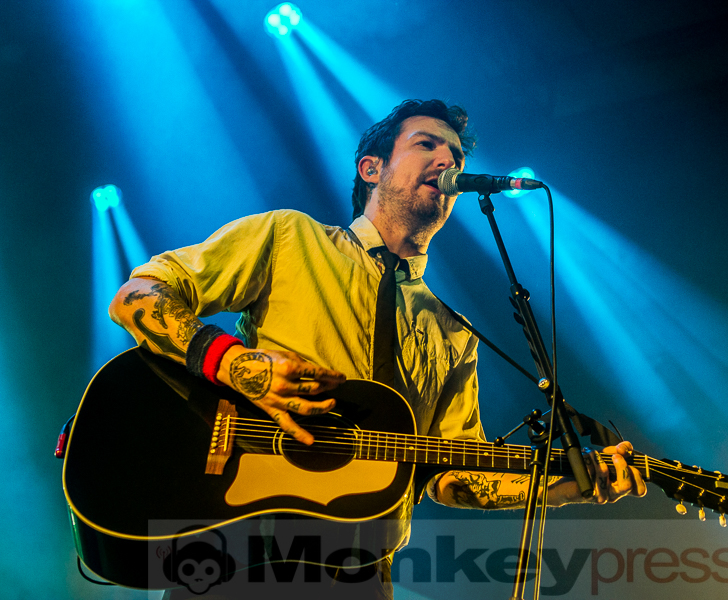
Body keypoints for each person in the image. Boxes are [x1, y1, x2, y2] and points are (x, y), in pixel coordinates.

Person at [109, 99, 646, 599]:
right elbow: (138, 296)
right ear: (372, 169)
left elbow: (452, 473)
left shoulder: (452, 332)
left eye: (455, 155)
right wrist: (234, 363)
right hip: (245, 547)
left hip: (361, 574)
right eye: (426, 145)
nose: (447, 159)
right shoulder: (290, 238)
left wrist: (557, 483)